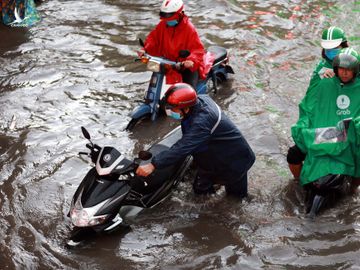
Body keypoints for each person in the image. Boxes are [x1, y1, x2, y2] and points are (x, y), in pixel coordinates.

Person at [136, 83, 256, 200]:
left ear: (185, 108)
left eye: (173, 108)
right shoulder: (199, 100)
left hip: (235, 161)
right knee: (200, 191)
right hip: (211, 157)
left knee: (235, 199)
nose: (170, 111)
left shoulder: (202, 122)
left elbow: (183, 147)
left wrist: (153, 165)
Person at [288, 47, 360, 191]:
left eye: (349, 69)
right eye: (341, 69)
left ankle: (353, 188)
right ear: (335, 68)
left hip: (351, 136)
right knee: (293, 154)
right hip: (328, 133)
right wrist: (302, 128)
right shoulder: (325, 82)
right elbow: (309, 107)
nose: (345, 73)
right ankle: (298, 181)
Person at [138, 0, 205, 89]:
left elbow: (197, 49)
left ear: (180, 14)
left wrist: (191, 60)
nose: (168, 21)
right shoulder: (163, 25)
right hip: (168, 64)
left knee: (190, 93)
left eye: (170, 18)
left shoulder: (189, 29)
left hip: (185, 67)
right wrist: (144, 49)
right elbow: (153, 39)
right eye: (165, 19)